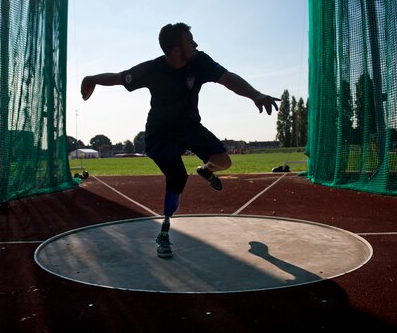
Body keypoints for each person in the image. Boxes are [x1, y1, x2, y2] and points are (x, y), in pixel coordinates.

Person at [81, 22, 280, 258]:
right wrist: (91, 78)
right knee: (177, 177)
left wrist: (255, 95)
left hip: (189, 127)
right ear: (175, 50)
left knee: (224, 162)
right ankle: (164, 230)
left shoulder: (200, 61)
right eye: (190, 41)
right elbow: (118, 77)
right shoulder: (152, 69)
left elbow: (228, 79)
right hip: (160, 133)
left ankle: (205, 170)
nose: (195, 44)